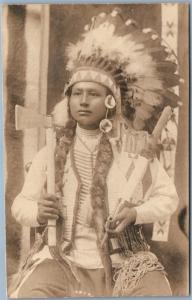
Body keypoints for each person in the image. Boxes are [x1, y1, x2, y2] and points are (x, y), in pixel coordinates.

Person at [10, 8, 180, 297]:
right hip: (61, 259)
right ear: (69, 100)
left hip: (124, 261)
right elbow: (19, 205)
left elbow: (168, 198)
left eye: (94, 94)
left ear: (110, 102)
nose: (83, 101)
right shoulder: (49, 154)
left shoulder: (132, 150)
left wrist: (136, 212)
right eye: (77, 93)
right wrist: (38, 211)